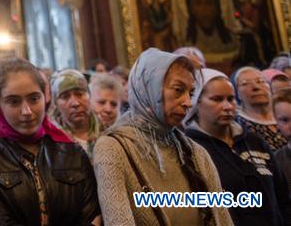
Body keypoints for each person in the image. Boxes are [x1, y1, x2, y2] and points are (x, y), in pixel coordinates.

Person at [93, 48, 231, 225]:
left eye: (190, 93)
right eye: (178, 90)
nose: (188, 103)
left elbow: (222, 218)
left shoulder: (195, 152)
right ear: (149, 88)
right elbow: (118, 221)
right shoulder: (113, 147)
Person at [0, 58, 100, 225]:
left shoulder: (71, 151)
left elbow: (88, 214)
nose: (27, 111)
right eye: (14, 101)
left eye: (34, 99)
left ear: (45, 97)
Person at [185, 68, 291, 226]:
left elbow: (283, 197)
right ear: (196, 103)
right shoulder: (190, 149)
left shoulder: (253, 140)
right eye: (217, 99)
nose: (227, 106)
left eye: (231, 98)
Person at [233, 66, 289, 152]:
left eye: (260, 81)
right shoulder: (238, 126)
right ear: (237, 94)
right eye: (245, 83)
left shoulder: (286, 114)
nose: (256, 87)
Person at [50, 69, 101, 157]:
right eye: (65, 97)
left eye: (80, 94)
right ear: (56, 103)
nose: (75, 103)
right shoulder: (51, 140)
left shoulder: (107, 131)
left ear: (89, 95)